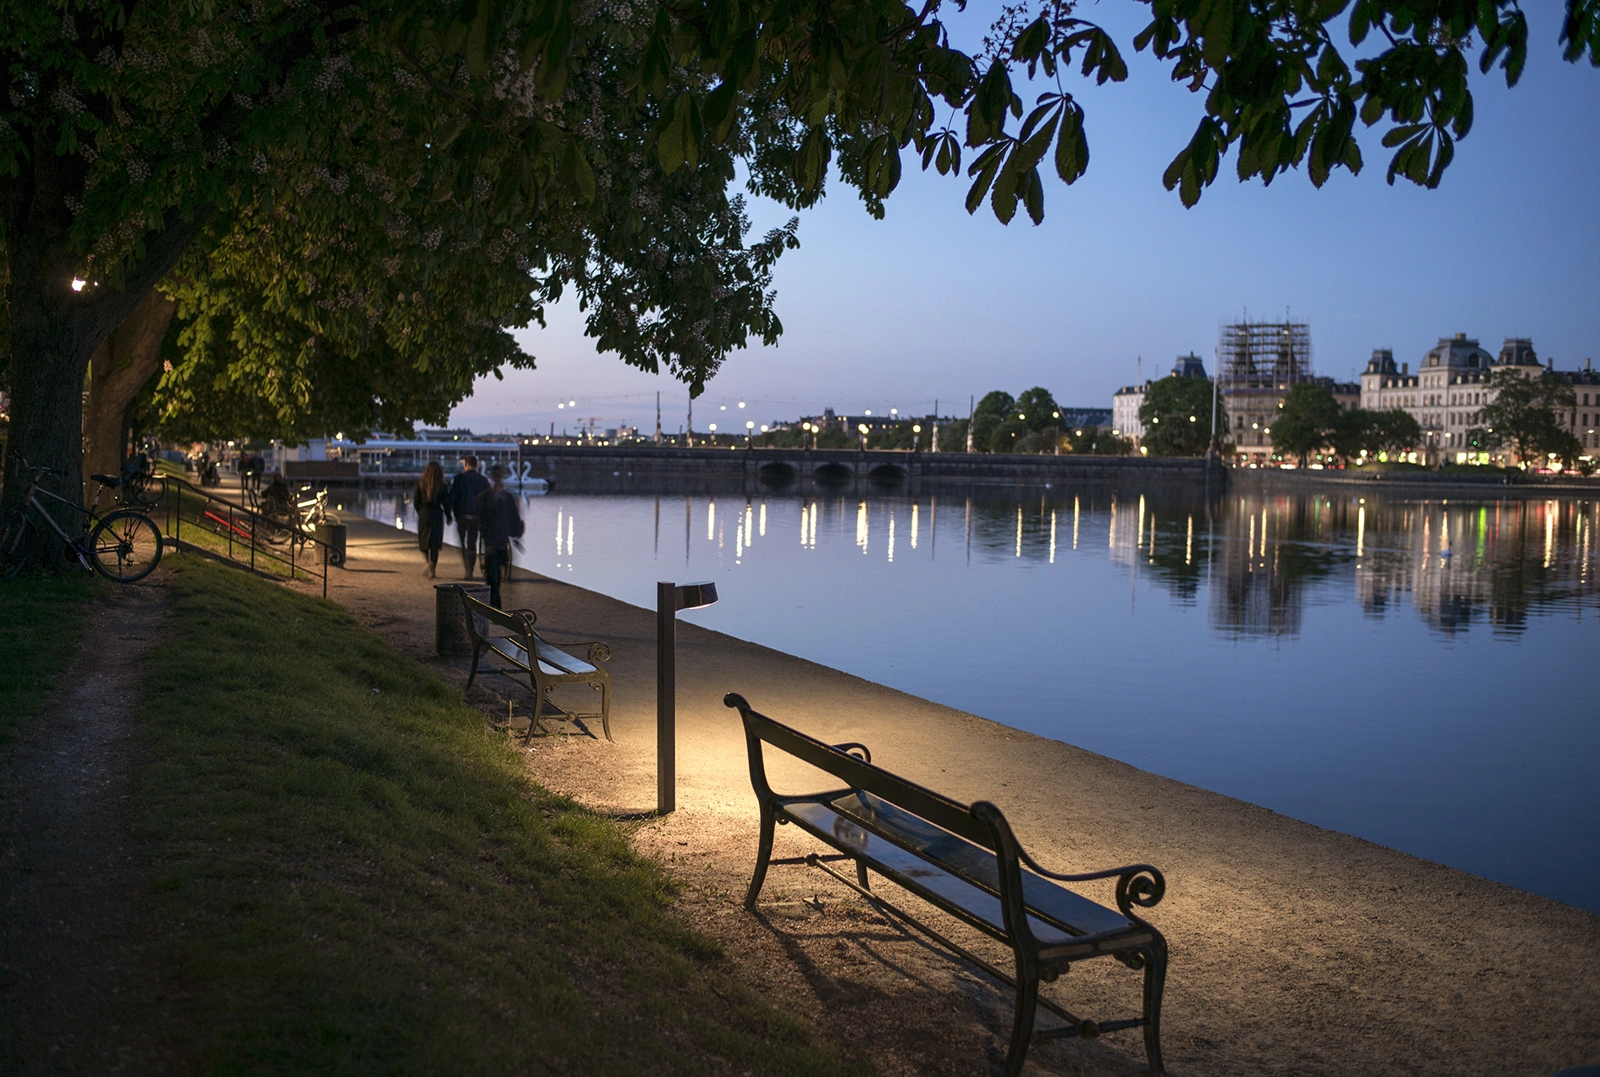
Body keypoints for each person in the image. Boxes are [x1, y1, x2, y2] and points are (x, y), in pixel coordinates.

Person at [476, 464, 523, 610]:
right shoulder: (495, 497)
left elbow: (513, 518)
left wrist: (517, 530)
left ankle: (495, 607)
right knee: (493, 577)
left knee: (496, 576)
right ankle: (495, 608)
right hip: (494, 541)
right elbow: (483, 521)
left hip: (500, 541)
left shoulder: (503, 497)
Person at [447, 455, 490, 578]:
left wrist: (449, 513)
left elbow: (452, 497)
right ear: (477, 466)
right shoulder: (483, 480)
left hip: (462, 515)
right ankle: (470, 569)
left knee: (463, 542)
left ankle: (467, 568)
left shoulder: (459, 479)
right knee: (473, 542)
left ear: (465, 465)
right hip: (477, 516)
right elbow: (489, 498)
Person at [412, 461, 450, 579]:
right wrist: (449, 516)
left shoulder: (421, 484)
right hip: (437, 515)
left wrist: (420, 512)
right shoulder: (442, 486)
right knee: (435, 544)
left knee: (424, 542)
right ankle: (432, 566)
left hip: (424, 514)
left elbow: (416, 502)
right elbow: (447, 503)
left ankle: (428, 562)